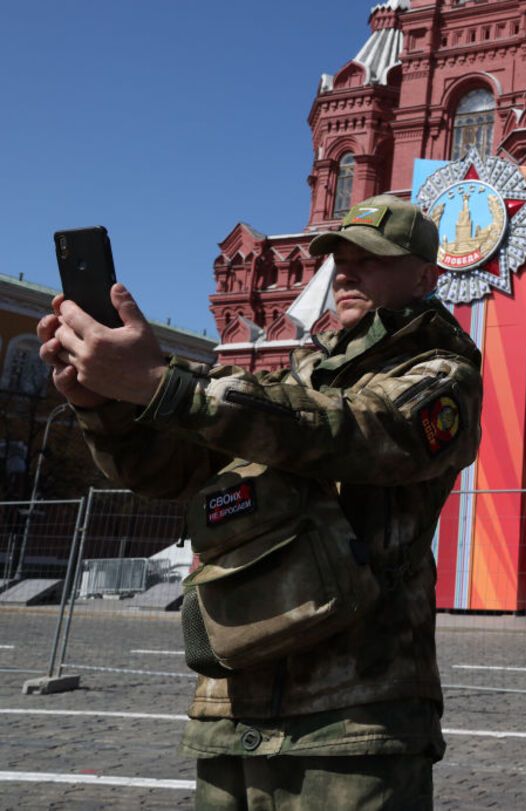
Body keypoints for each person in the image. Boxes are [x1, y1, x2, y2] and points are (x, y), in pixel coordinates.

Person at [37, 195, 482, 809]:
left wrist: (164, 386)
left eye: (370, 259)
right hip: (233, 700)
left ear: (424, 276)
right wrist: (104, 406)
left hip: (354, 713)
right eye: (339, 259)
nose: (345, 272)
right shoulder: (297, 375)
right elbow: (169, 471)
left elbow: (352, 431)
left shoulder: (441, 374)